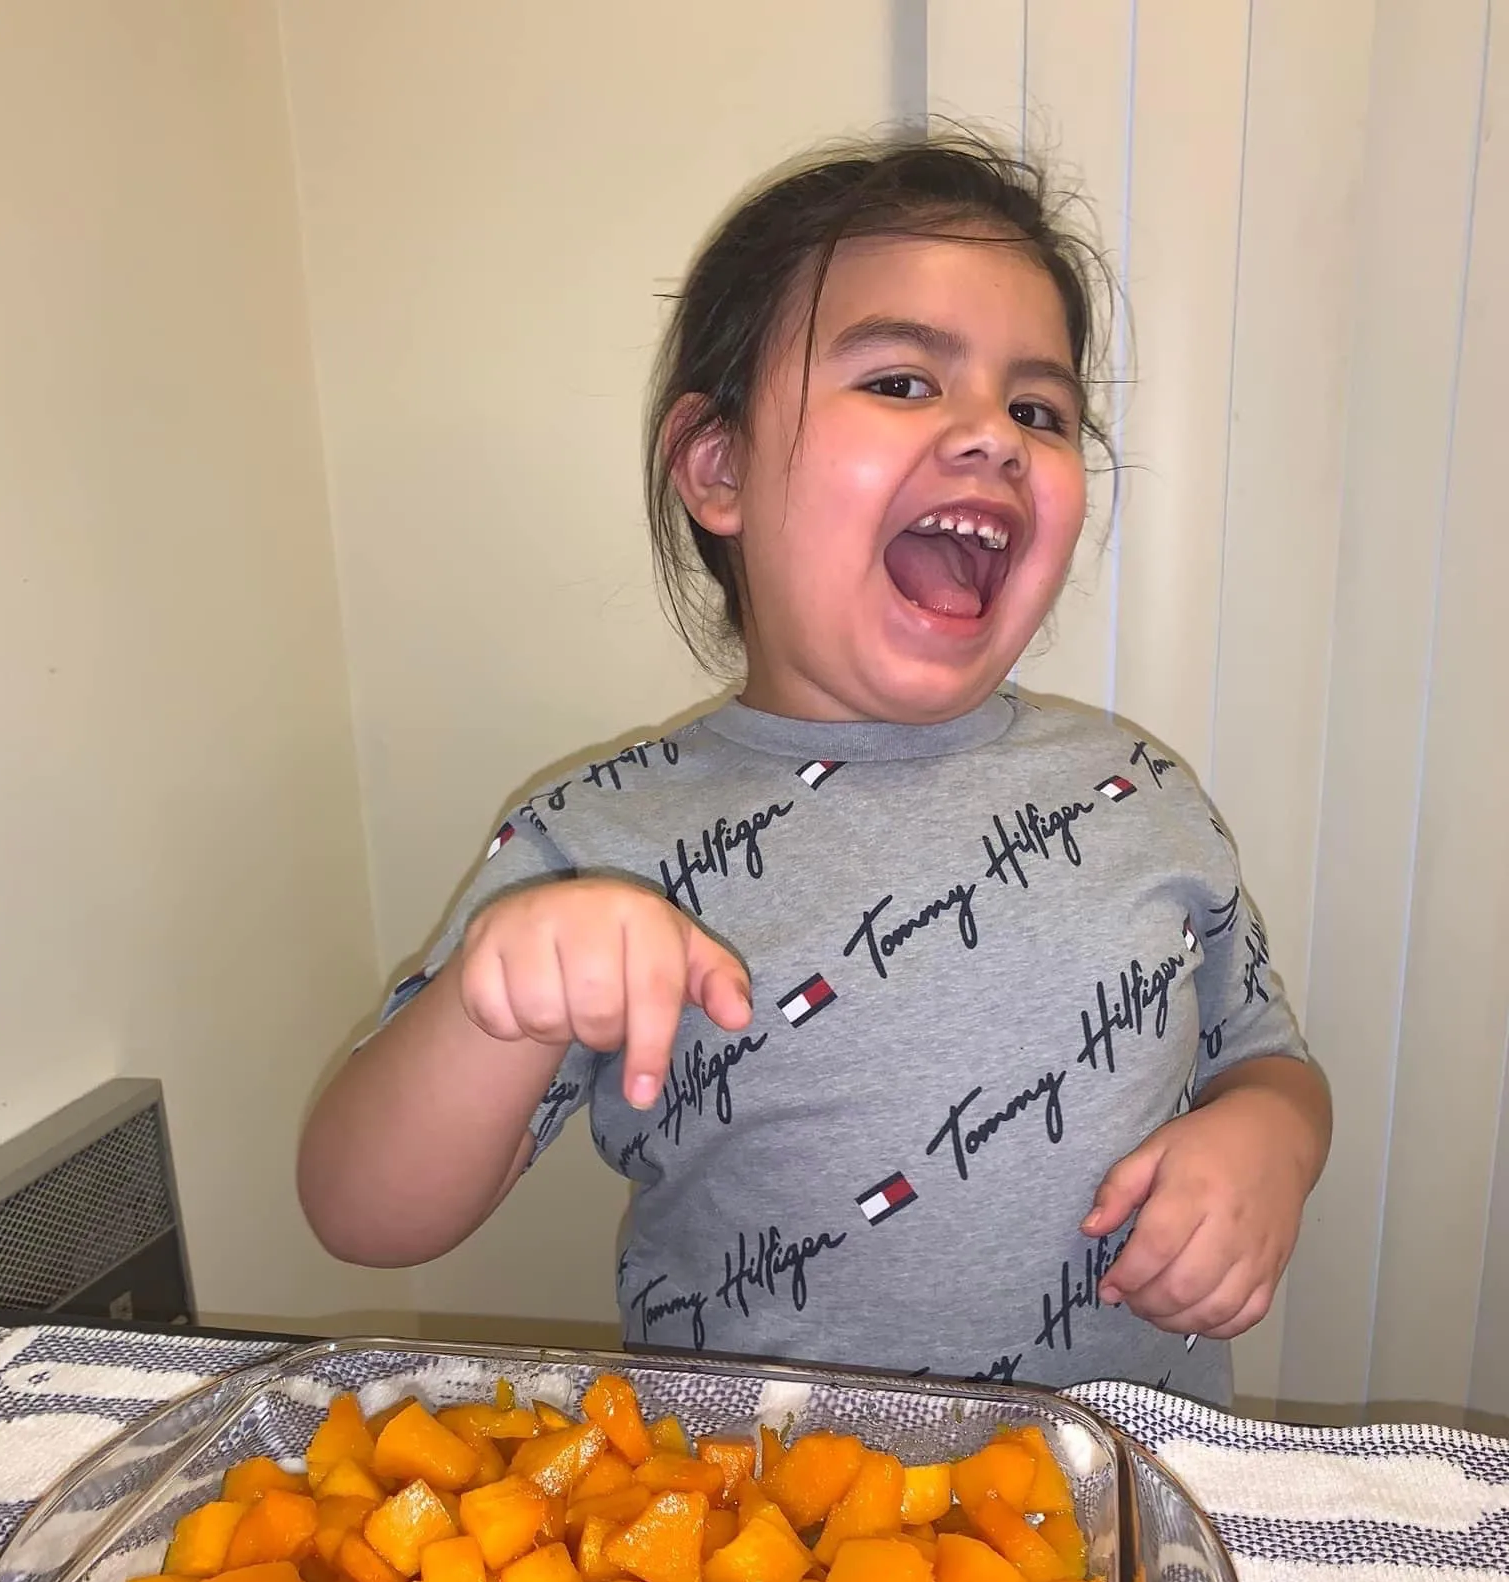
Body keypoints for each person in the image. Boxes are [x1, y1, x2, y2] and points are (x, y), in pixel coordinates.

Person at [298, 132, 1330, 1407]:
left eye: (1039, 409)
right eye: (902, 381)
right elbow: (361, 1211)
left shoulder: (1140, 794)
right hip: (755, 1550)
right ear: (719, 466)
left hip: (1116, 1513)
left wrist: (1272, 1138)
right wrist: (490, 993)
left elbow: (1267, 1057)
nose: (992, 437)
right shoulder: (602, 840)